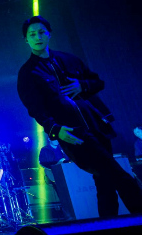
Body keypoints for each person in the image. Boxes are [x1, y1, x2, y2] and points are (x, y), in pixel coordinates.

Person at [17, 16, 142, 217]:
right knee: (120, 176)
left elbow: (97, 82)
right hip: (73, 133)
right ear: (26, 40)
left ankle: (108, 227)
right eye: (32, 34)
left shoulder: (69, 59)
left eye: (41, 32)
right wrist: (55, 130)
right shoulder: (27, 73)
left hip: (97, 125)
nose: (37, 37)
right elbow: (35, 108)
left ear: (49, 34)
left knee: (105, 182)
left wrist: (82, 85)